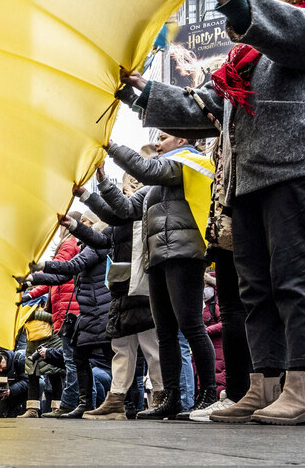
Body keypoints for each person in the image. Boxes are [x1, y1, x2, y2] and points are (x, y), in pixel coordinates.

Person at [117, 0, 305, 424]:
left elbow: (290, 31)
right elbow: (200, 108)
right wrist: (136, 91)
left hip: (296, 168)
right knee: (256, 288)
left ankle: (301, 388)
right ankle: (264, 384)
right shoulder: (242, 59)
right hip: (249, 179)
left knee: (295, 279)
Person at [100, 135, 217, 419]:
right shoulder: (156, 181)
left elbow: (148, 170)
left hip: (184, 253)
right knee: (165, 332)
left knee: (190, 327)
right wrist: (99, 186)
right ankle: (171, 397)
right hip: (156, 258)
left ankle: (209, 394)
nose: (159, 143)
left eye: (163, 137)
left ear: (182, 138)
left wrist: (112, 147)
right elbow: (125, 210)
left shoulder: (189, 162)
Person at [67, 167, 163, 420]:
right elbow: (101, 240)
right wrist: (75, 225)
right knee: (123, 344)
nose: (123, 193)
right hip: (123, 284)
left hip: (142, 281)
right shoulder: (122, 218)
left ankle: (162, 396)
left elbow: (106, 229)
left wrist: (91, 192)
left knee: (149, 343)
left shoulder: (147, 202)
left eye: (126, 188)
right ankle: (116, 399)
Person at [26, 227, 112, 418]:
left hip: (82, 311)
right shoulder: (82, 247)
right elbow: (61, 275)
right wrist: (32, 286)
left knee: (79, 359)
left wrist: (39, 268)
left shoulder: (75, 245)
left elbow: (65, 270)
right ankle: (82, 404)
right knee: (78, 358)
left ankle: (83, 404)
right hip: (83, 311)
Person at [18, 215, 81, 417]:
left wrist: (31, 281)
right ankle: (52, 406)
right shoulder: (71, 245)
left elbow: (55, 274)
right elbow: (51, 281)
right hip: (59, 312)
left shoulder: (69, 244)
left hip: (64, 311)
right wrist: (30, 292)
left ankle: (64, 405)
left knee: (62, 364)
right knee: (54, 365)